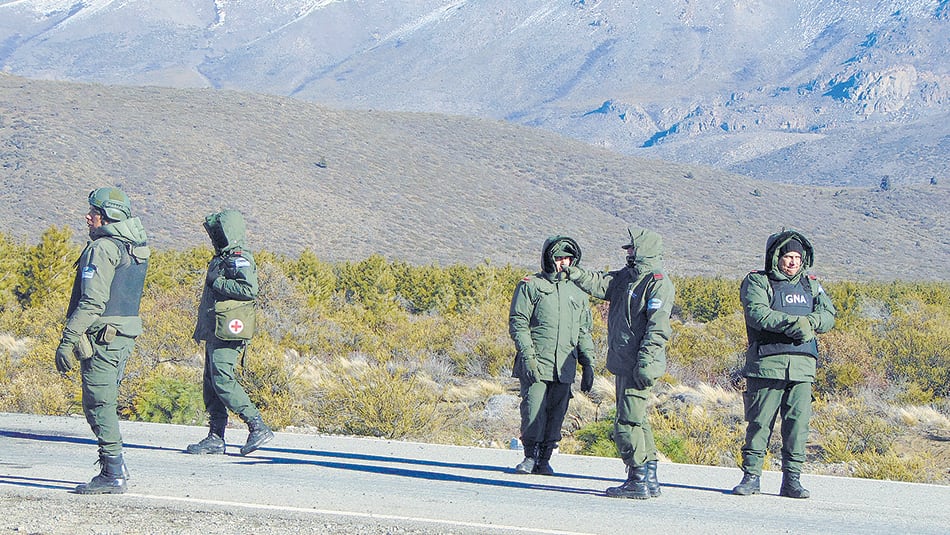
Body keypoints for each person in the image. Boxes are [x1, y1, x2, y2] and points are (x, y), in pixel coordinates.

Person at [562, 225, 674, 499]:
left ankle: (637, 479)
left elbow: (657, 328)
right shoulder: (627, 278)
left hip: (639, 363)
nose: (628, 252)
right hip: (625, 361)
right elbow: (599, 283)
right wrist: (572, 271)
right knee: (639, 420)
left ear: (644, 250)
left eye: (633, 248)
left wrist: (645, 362)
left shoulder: (657, 282)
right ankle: (649, 477)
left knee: (627, 422)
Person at [55, 187, 150, 494]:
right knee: (101, 402)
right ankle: (115, 466)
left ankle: (112, 472)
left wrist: (68, 339)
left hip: (103, 338)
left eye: (93, 213)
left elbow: (93, 303)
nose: (88, 217)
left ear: (107, 216)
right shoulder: (133, 246)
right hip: (121, 336)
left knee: (99, 404)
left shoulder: (104, 248)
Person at [732, 230, 836, 499]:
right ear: (776, 257)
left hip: (802, 367)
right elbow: (757, 313)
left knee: (797, 425)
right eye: (787, 256)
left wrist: (810, 323)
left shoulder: (811, 285)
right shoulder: (758, 281)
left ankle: (792, 480)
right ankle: (751, 476)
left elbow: (828, 315)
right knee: (759, 422)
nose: (792, 262)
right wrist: (794, 324)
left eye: (797, 258)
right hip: (767, 363)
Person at [186, 209, 273, 456]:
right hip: (216, 327)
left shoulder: (239, 256)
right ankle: (215, 436)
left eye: (219, 233)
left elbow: (249, 288)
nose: (215, 238)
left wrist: (218, 283)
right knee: (211, 382)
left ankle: (257, 425)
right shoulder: (222, 257)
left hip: (229, 329)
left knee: (223, 379)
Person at [508, 236, 595, 475]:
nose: (563, 263)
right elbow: (518, 322)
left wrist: (588, 364)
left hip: (564, 365)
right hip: (536, 361)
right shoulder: (531, 285)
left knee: (557, 413)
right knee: (533, 409)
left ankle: (545, 458)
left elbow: (583, 329)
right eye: (558, 258)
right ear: (549, 258)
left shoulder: (577, 290)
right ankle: (530, 456)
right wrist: (527, 356)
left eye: (567, 258)